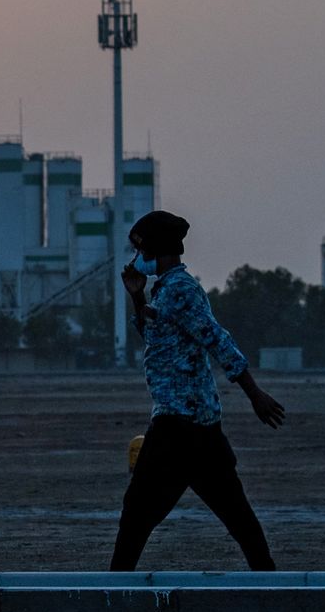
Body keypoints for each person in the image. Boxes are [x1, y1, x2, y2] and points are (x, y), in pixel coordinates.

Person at [109, 210, 285, 571]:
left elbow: (217, 339)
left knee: (136, 515)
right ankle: (270, 583)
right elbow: (158, 337)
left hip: (178, 424)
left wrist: (254, 394)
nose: (137, 258)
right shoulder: (164, 291)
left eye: (140, 250)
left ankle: (113, 590)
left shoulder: (181, 290)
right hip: (198, 425)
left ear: (155, 249)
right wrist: (137, 298)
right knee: (237, 515)